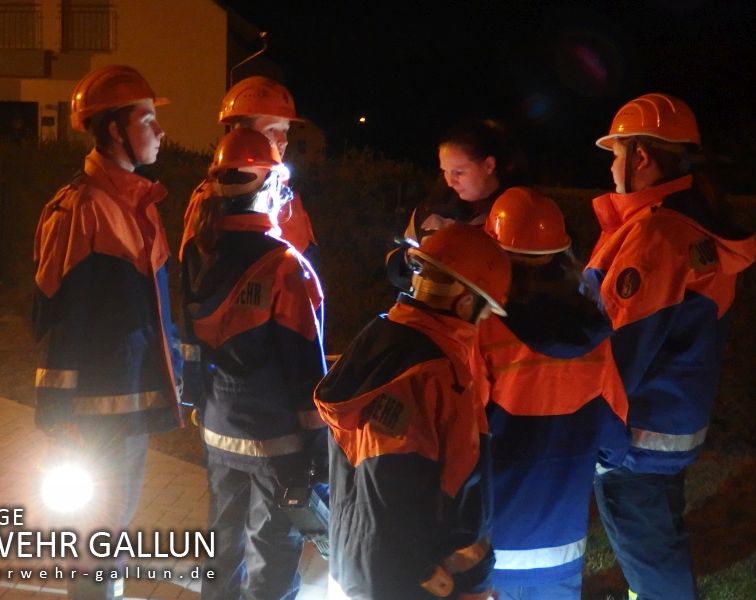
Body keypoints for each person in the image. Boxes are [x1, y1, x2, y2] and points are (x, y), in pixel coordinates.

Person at [584, 93, 755, 600]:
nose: (612, 166)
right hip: (668, 430)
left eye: (616, 153)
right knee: (658, 552)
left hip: (632, 440)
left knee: (654, 567)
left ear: (640, 157)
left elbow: (619, 350)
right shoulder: (692, 225)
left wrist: (591, 439)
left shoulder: (656, 234)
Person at [31, 64, 183, 600]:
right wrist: (56, 417)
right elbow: (57, 320)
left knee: (109, 537)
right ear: (115, 130)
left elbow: (149, 315)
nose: (159, 131)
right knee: (94, 546)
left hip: (130, 406)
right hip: (93, 417)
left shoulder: (137, 204)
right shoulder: (83, 208)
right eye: (147, 118)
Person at [315, 223, 510, 600]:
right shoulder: (441, 374)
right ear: (466, 301)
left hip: (355, 567)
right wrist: (471, 585)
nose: (487, 320)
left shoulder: (378, 343)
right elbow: (458, 496)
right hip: (417, 583)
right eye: (487, 309)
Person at [180, 128, 328, 600]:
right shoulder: (286, 267)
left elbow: (190, 345)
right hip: (276, 440)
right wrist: (318, 446)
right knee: (274, 548)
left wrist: (197, 402)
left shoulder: (198, 253)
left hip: (218, 429)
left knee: (220, 541)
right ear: (268, 186)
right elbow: (305, 366)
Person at [477, 187, 629, 599]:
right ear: (563, 255)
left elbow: (458, 435)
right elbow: (615, 443)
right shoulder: (594, 333)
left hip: (486, 544)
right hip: (560, 547)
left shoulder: (484, 328)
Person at [180, 76, 318, 266]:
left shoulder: (288, 197)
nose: (283, 140)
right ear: (242, 134)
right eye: (271, 129)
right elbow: (196, 275)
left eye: (285, 130)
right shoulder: (213, 197)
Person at [386, 118, 528, 290]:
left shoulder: (523, 213)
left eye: (459, 172)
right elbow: (400, 257)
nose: (450, 182)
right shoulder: (430, 211)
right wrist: (407, 263)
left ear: (489, 165)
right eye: (444, 171)